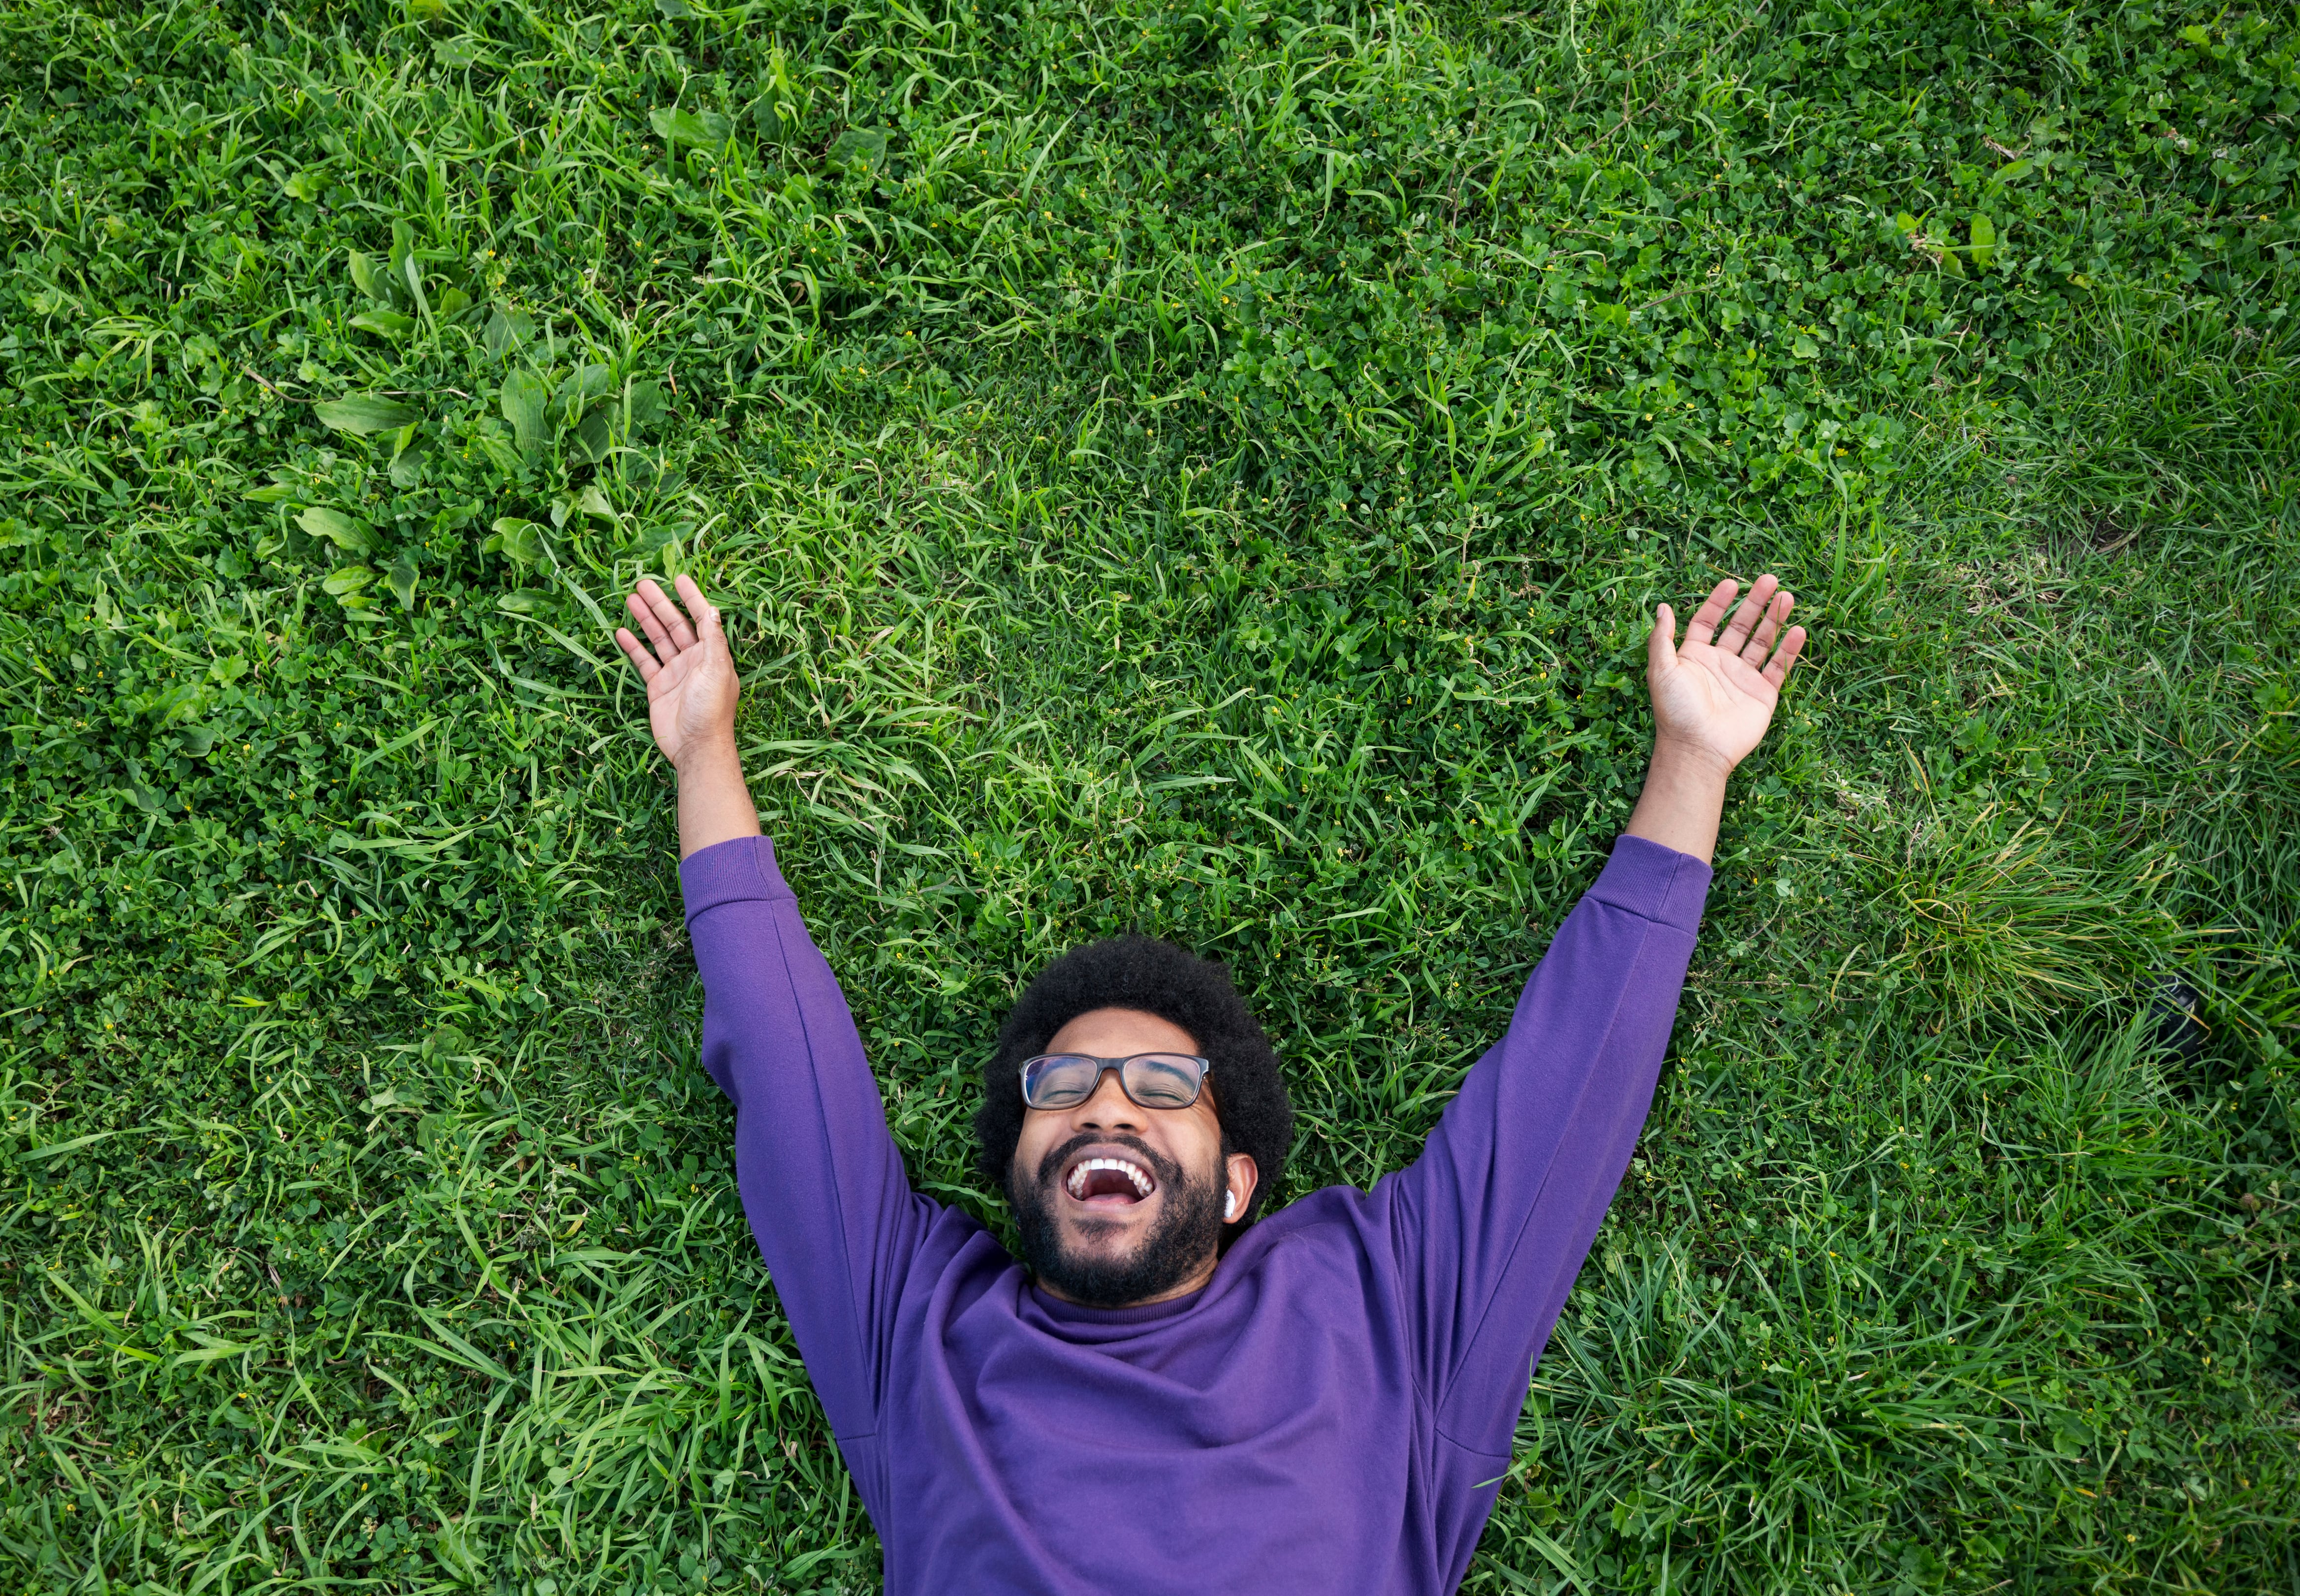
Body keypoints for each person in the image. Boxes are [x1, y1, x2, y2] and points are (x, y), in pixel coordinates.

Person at [612, 571, 1807, 1595]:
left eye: (1161, 1083)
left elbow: (1569, 1089)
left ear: (1239, 1182)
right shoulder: (917, 1332)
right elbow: (786, 1068)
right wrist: (705, 754)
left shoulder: (1384, 1300)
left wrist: (1691, 761)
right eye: (1064, 1080)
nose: (1105, 1101)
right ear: (1016, 1168)